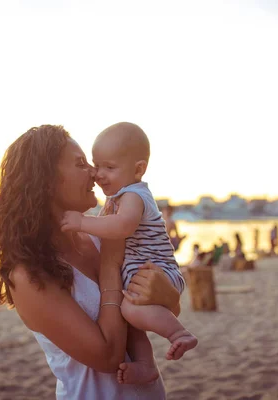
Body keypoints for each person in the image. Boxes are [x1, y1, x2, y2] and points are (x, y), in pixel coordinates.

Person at [0, 125, 180, 399]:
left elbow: (167, 310)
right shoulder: (28, 274)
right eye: (81, 163)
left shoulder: (100, 235)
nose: (94, 173)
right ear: (46, 181)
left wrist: (167, 293)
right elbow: (108, 357)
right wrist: (110, 266)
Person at [60, 122, 198, 384]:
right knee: (131, 324)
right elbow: (108, 229)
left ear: (138, 169)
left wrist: (81, 222)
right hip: (142, 274)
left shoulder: (134, 195)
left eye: (109, 167)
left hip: (157, 270)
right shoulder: (118, 198)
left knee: (132, 312)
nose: (98, 174)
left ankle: (179, 335)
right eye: (96, 164)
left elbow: (122, 226)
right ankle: (146, 365)